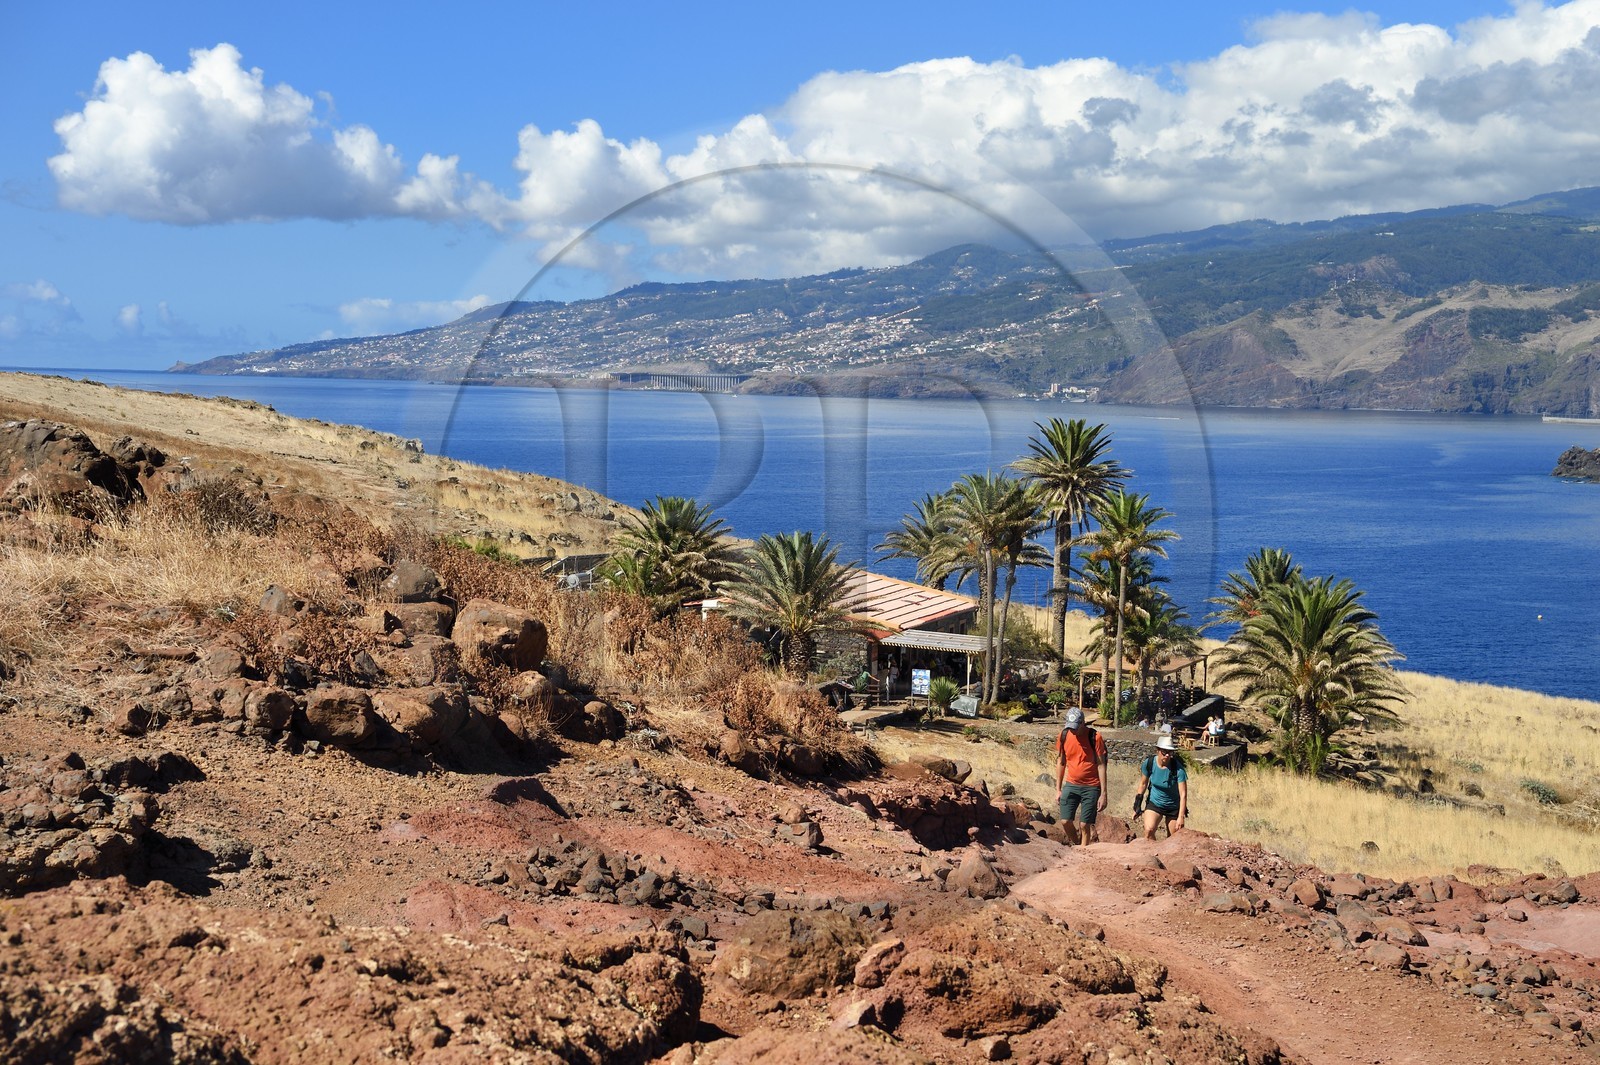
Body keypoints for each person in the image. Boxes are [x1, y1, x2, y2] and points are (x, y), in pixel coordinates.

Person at [1054, 707, 1108, 846]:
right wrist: (1058, 789)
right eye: (1071, 727)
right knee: (1065, 821)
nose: (1073, 730)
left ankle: (1084, 852)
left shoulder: (1095, 737)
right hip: (1071, 783)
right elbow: (1061, 762)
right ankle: (1077, 844)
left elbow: (1101, 765)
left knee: (1084, 824)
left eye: (1076, 728)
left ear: (1083, 722)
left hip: (1091, 786)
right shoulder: (1064, 735)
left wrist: (1103, 794)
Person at [1135, 735, 1188, 840]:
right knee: (1148, 831)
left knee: (1174, 837)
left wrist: (1180, 817)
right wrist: (1137, 806)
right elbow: (1143, 784)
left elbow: (1183, 794)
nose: (1167, 755)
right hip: (1155, 803)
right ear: (1158, 751)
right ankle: (1153, 852)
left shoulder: (1178, 769)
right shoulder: (1149, 764)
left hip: (1173, 806)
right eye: (1164, 752)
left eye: (1170, 752)